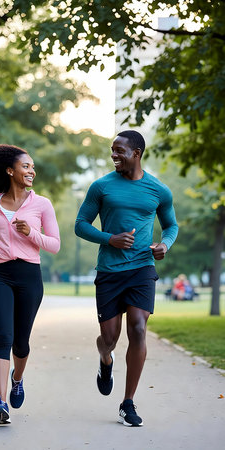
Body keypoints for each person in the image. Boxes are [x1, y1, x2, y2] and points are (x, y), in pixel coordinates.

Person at [75, 130, 178, 427]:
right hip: (109, 270)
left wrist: (164, 245)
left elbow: (171, 225)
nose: (113, 155)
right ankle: (105, 361)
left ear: (137, 152)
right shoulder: (101, 187)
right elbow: (80, 225)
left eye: (119, 150)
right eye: (112, 150)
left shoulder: (159, 190)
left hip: (141, 269)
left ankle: (127, 403)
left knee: (138, 328)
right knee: (109, 339)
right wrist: (110, 239)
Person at [0, 144, 60, 425]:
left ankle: (17, 379)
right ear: (10, 171)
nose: (32, 170)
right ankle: (1, 402)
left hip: (29, 277)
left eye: (32, 167)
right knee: (2, 339)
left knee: (21, 343)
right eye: (26, 166)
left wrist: (31, 232)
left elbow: (55, 245)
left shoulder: (42, 204)